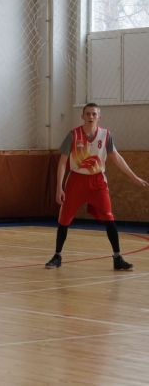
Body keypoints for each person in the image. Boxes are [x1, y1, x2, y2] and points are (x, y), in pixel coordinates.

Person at [45, 103, 148, 270]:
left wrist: (134, 177)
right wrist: (59, 187)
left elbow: (116, 157)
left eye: (94, 114)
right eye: (88, 114)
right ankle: (57, 256)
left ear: (99, 116)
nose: (91, 116)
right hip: (76, 180)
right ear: (82, 116)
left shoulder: (106, 135)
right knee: (64, 219)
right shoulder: (73, 135)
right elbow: (62, 162)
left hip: (98, 181)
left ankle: (117, 258)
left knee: (109, 217)